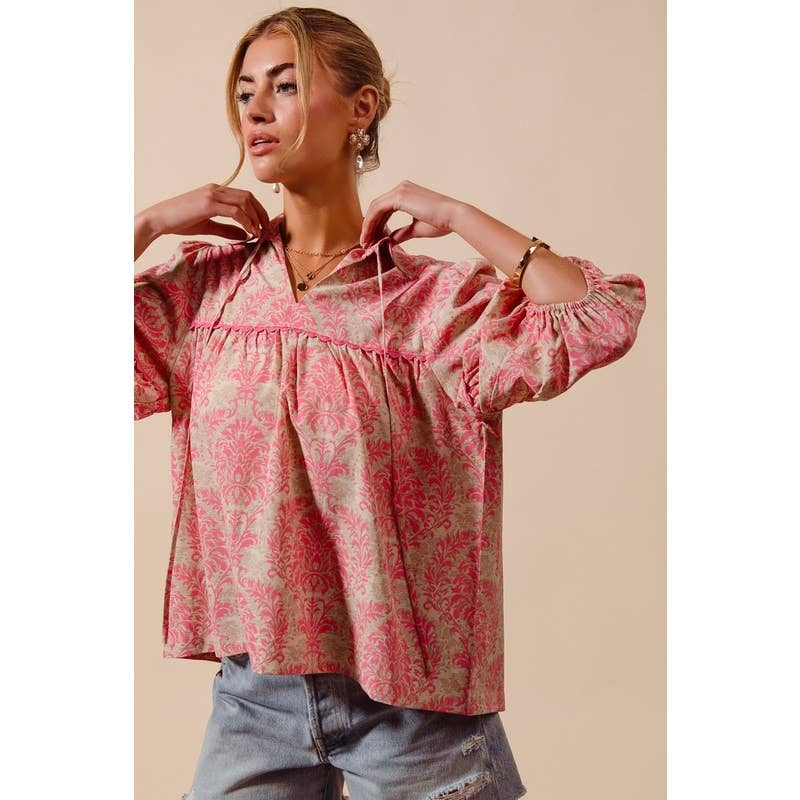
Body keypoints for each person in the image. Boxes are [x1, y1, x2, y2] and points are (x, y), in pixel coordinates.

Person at [134, 7, 647, 799]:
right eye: (244, 92)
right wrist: (142, 226)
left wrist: (461, 217)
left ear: (361, 108)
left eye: (285, 85)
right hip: (253, 698)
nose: (256, 110)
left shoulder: (434, 307)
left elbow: (600, 314)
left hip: (416, 710)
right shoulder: (205, 295)